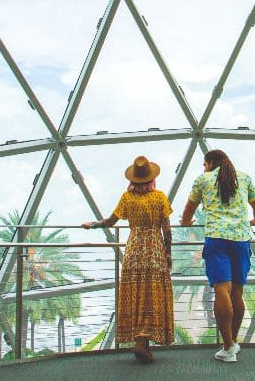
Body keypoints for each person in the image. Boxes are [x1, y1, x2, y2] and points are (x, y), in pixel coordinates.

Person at [82, 155, 174, 363]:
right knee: (152, 296)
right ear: (152, 179)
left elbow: (110, 221)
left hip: (133, 252)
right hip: (154, 252)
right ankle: (143, 342)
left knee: (136, 296)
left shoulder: (127, 197)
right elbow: (167, 231)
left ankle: (141, 342)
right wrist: (168, 254)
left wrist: (93, 225)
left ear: (133, 179)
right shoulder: (159, 197)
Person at [180, 149, 255, 363]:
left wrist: (186, 222)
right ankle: (232, 343)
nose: (203, 168)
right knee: (237, 292)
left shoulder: (203, 180)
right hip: (241, 239)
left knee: (221, 290)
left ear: (209, 163)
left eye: (204, 164)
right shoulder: (243, 177)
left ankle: (227, 347)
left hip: (217, 239)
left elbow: (188, 210)